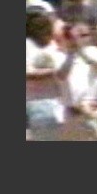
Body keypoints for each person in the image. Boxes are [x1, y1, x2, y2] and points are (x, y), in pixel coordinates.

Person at [26, 12, 68, 141]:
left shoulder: (55, 48)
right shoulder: (27, 46)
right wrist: (53, 72)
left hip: (54, 106)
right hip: (35, 104)